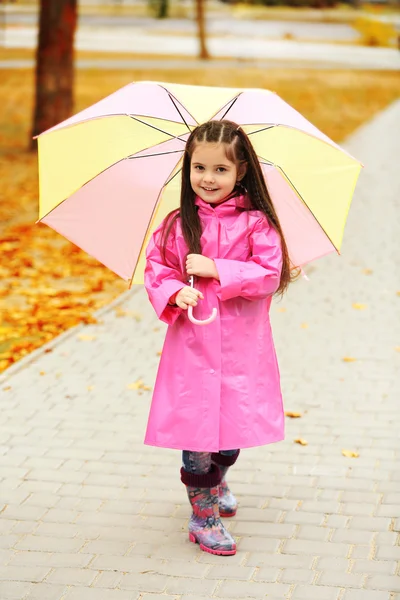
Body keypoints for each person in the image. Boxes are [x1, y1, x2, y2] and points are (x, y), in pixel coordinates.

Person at [144, 119, 296, 556]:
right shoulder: (178, 224)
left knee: (231, 429)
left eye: (220, 170)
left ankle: (221, 474)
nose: (208, 179)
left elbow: (269, 274)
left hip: (242, 345)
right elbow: (158, 269)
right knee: (197, 429)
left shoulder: (257, 224)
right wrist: (175, 289)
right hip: (192, 346)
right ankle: (202, 515)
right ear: (187, 168)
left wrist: (217, 270)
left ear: (242, 171)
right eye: (199, 168)